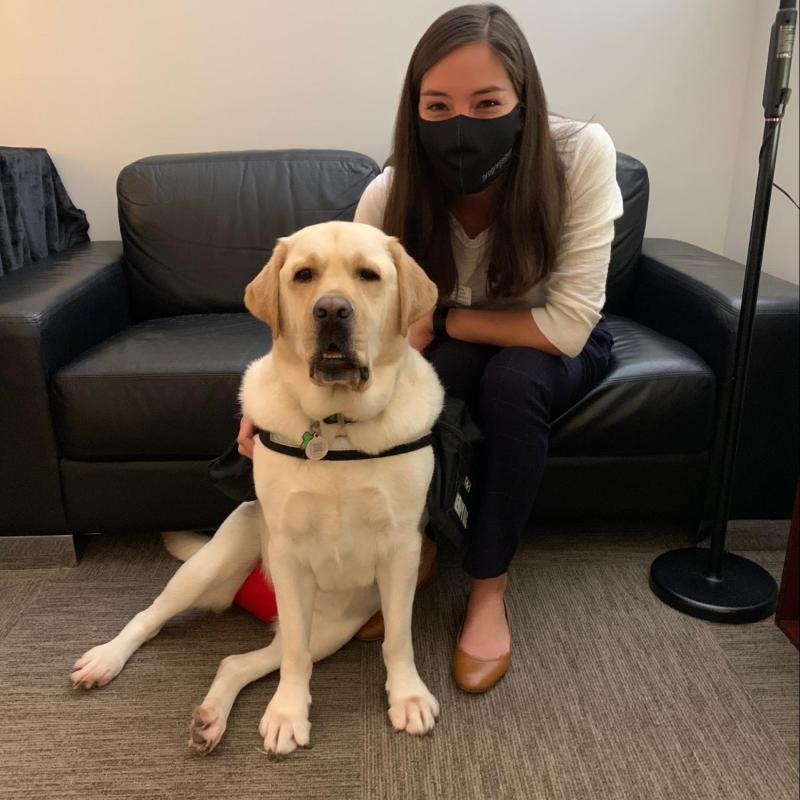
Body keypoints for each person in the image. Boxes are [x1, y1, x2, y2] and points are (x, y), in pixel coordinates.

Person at [237, 3, 623, 693]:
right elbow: (341, 324)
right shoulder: (389, 193)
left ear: (524, 102)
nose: (462, 126)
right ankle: (420, 547)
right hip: (456, 338)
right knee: (432, 380)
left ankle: (487, 587)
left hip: (558, 344)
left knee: (513, 381)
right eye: (438, 105)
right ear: (413, 112)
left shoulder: (581, 154)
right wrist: (274, 410)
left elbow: (565, 326)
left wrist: (446, 316)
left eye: (488, 102)